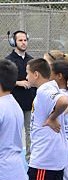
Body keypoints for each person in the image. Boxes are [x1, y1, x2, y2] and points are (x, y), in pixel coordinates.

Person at [5, 30, 36, 160]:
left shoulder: (32, 60)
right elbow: (4, 81)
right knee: (13, 132)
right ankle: (12, 158)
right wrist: (18, 82)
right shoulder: (8, 61)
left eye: (25, 40)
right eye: (20, 40)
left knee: (30, 131)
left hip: (30, 102)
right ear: (14, 42)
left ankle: (30, 158)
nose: (23, 43)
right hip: (15, 102)